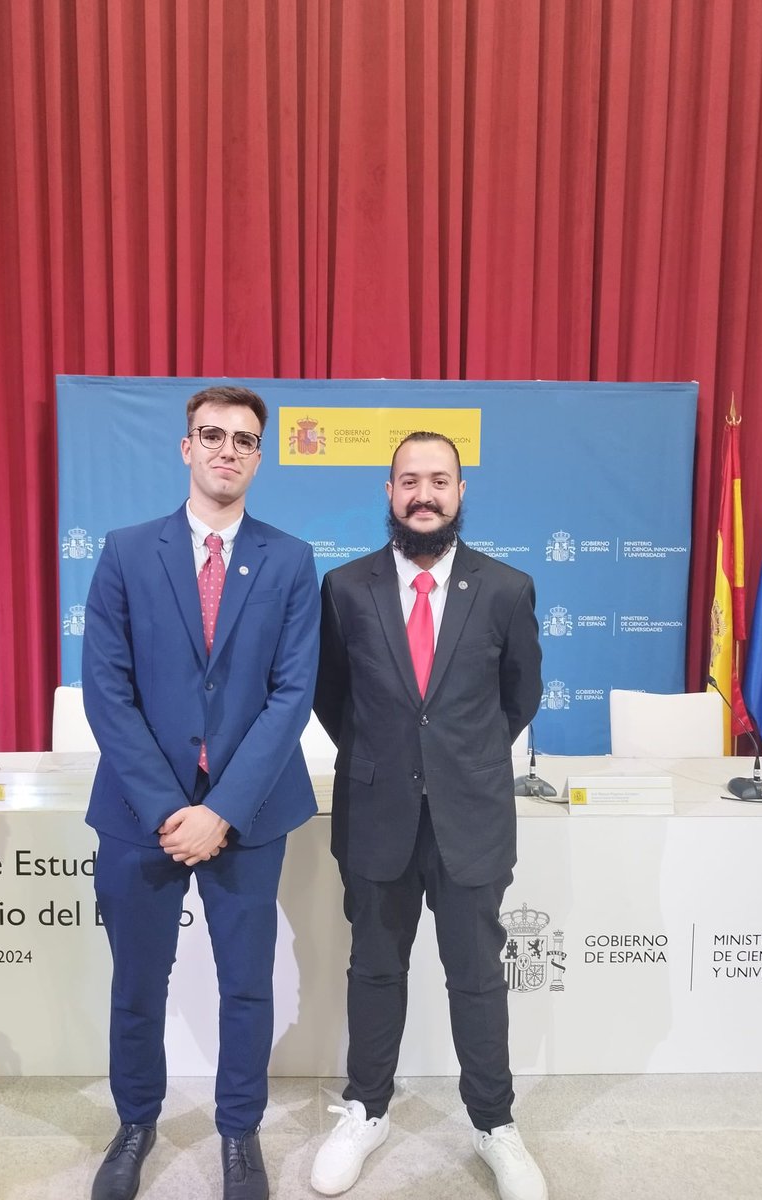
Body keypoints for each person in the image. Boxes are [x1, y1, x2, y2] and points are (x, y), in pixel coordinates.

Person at [82, 385, 320, 1200]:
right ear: (186, 448)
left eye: (244, 439)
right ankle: (136, 1122)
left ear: (261, 456)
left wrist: (221, 810)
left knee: (247, 985)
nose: (227, 449)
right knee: (137, 984)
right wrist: (168, 809)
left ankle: (238, 1132)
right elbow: (106, 693)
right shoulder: (123, 551)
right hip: (137, 813)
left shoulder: (289, 559)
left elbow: (292, 695)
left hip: (249, 815)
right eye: (211, 435)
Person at [310, 431, 547, 1200]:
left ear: (459, 492)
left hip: (471, 816)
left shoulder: (506, 589)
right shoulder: (346, 588)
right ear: (388, 493)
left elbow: (520, 698)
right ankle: (366, 1108)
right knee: (375, 968)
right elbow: (331, 696)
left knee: (476, 975)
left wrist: (454, 761)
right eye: (409, 480)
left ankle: (494, 1125)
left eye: (438, 480)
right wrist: (388, 761)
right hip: (375, 814)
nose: (424, 494)